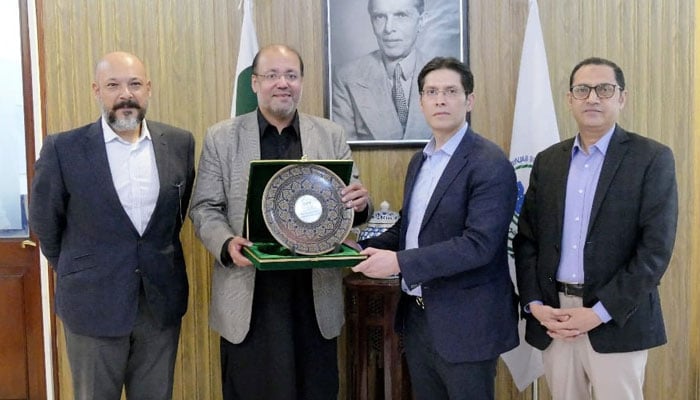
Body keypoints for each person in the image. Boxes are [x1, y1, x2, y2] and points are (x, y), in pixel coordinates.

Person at [188, 44, 371, 400]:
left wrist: (360, 204)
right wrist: (226, 243)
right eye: (272, 75)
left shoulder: (330, 135)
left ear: (301, 82)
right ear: (255, 83)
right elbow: (204, 207)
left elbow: (352, 202)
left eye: (291, 75)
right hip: (251, 298)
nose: (282, 83)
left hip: (314, 296)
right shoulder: (222, 138)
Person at [29, 51, 195, 400]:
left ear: (148, 89)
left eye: (135, 84)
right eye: (113, 85)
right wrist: (80, 269)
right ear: (96, 91)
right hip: (92, 304)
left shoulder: (179, 144)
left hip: (159, 305)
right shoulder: (64, 148)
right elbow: (45, 223)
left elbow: (175, 217)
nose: (125, 94)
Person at [351, 57, 519, 400]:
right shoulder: (420, 160)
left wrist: (399, 263)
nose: (440, 99)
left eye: (450, 91)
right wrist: (351, 246)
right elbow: (410, 227)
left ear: (468, 101)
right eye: (431, 92)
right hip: (418, 320)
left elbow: (479, 245)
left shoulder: (489, 162)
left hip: (467, 325)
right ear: (421, 101)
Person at [513, 57, 678, 400]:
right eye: (582, 90)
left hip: (617, 319)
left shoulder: (651, 159)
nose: (592, 98)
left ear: (622, 98)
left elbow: (654, 252)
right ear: (569, 99)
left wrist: (598, 313)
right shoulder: (549, 161)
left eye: (604, 89)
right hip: (554, 318)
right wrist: (533, 303)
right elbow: (527, 240)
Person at [332, 0, 432, 141]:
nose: (388, 28)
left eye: (401, 15)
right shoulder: (346, 77)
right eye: (379, 17)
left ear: (421, 21)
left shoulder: (446, 75)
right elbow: (343, 153)